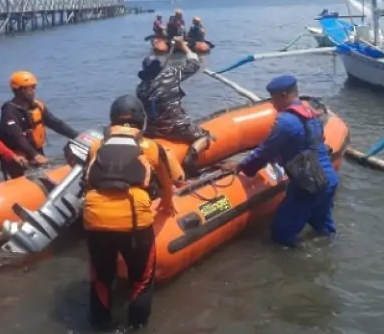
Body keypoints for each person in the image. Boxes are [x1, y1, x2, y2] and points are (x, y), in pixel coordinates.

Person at [82, 94, 177, 331]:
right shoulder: (151, 147)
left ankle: (100, 324)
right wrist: (167, 205)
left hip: (95, 220)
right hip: (134, 222)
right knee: (141, 279)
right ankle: (136, 326)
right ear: (141, 120)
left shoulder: (97, 145)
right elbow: (167, 184)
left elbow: (87, 179)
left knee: (101, 278)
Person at [227, 75, 340, 247]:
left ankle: (300, 264)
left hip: (308, 185)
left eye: (273, 98)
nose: (272, 104)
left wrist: (243, 166)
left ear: (283, 95)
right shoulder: (311, 113)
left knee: (281, 233)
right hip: (328, 179)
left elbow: (265, 150)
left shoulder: (286, 122)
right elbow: (311, 143)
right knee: (323, 227)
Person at [136, 36, 212, 178]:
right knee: (206, 137)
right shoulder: (170, 75)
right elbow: (194, 63)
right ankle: (192, 156)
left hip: (153, 130)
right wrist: (183, 46)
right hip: (177, 127)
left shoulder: (140, 89)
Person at [0, 71, 80, 179]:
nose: (33, 91)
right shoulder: (9, 111)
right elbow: (17, 137)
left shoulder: (37, 106)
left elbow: (56, 124)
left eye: (34, 87)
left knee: (45, 176)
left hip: (35, 150)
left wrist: (78, 136)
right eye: (30, 88)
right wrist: (35, 155)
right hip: (18, 153)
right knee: (21, 169)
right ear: (19, 90)